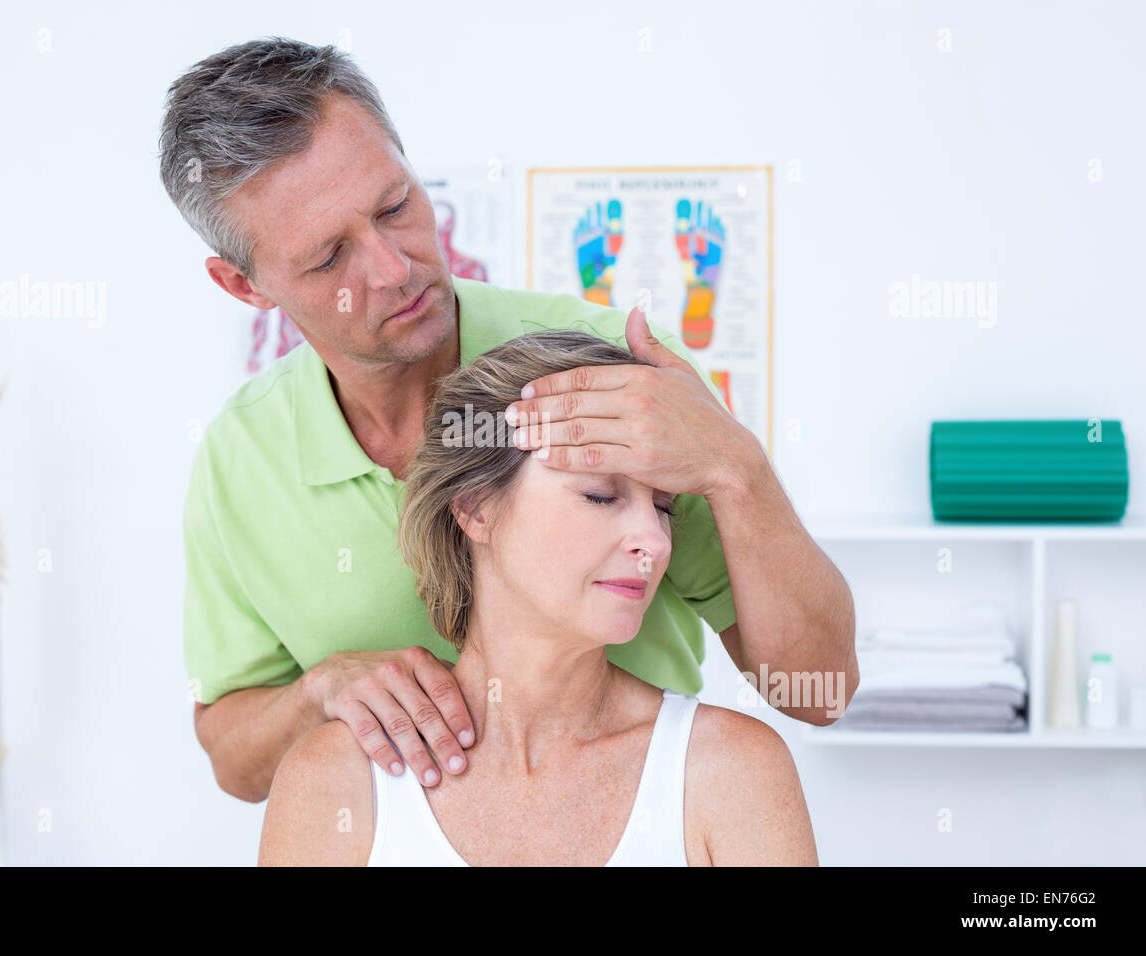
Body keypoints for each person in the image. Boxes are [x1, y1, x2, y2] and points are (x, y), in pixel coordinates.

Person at [158, 36, 857, 805]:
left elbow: (816, 692)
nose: (394, 269)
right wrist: (317, 693)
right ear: (243, 285)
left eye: (396, 206)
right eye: (329, 258)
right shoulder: (240, 458)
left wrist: (736, 466)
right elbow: (232, 757)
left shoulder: (607, 370)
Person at [258, 330, 819, 865]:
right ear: (477, 508)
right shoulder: (338, 780)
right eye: (601, 496)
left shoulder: (729, 772)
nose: (652, 540)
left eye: (664, 507)